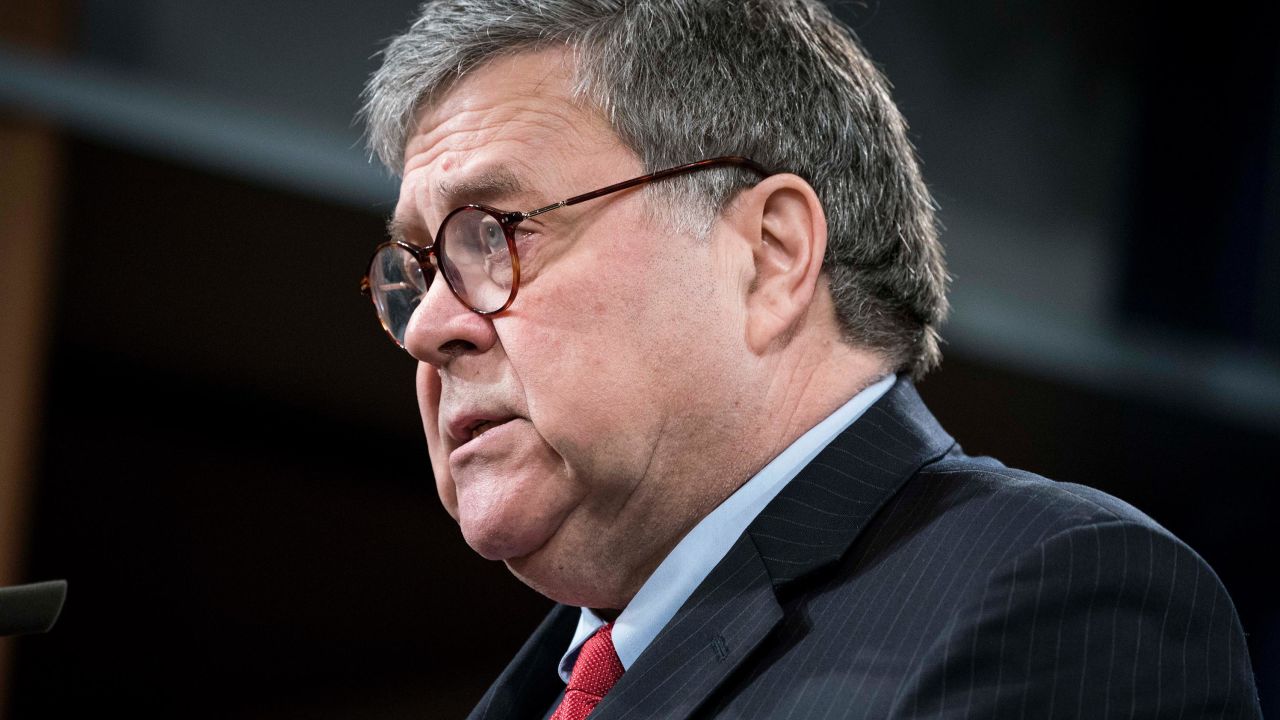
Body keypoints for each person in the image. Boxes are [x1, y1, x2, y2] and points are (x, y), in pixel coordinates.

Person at [358, 1, 1262, 718]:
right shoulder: (561, 686)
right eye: (419, 268)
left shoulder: (1058, 604)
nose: (433, 325)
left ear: (769, 256)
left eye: (496, 235)